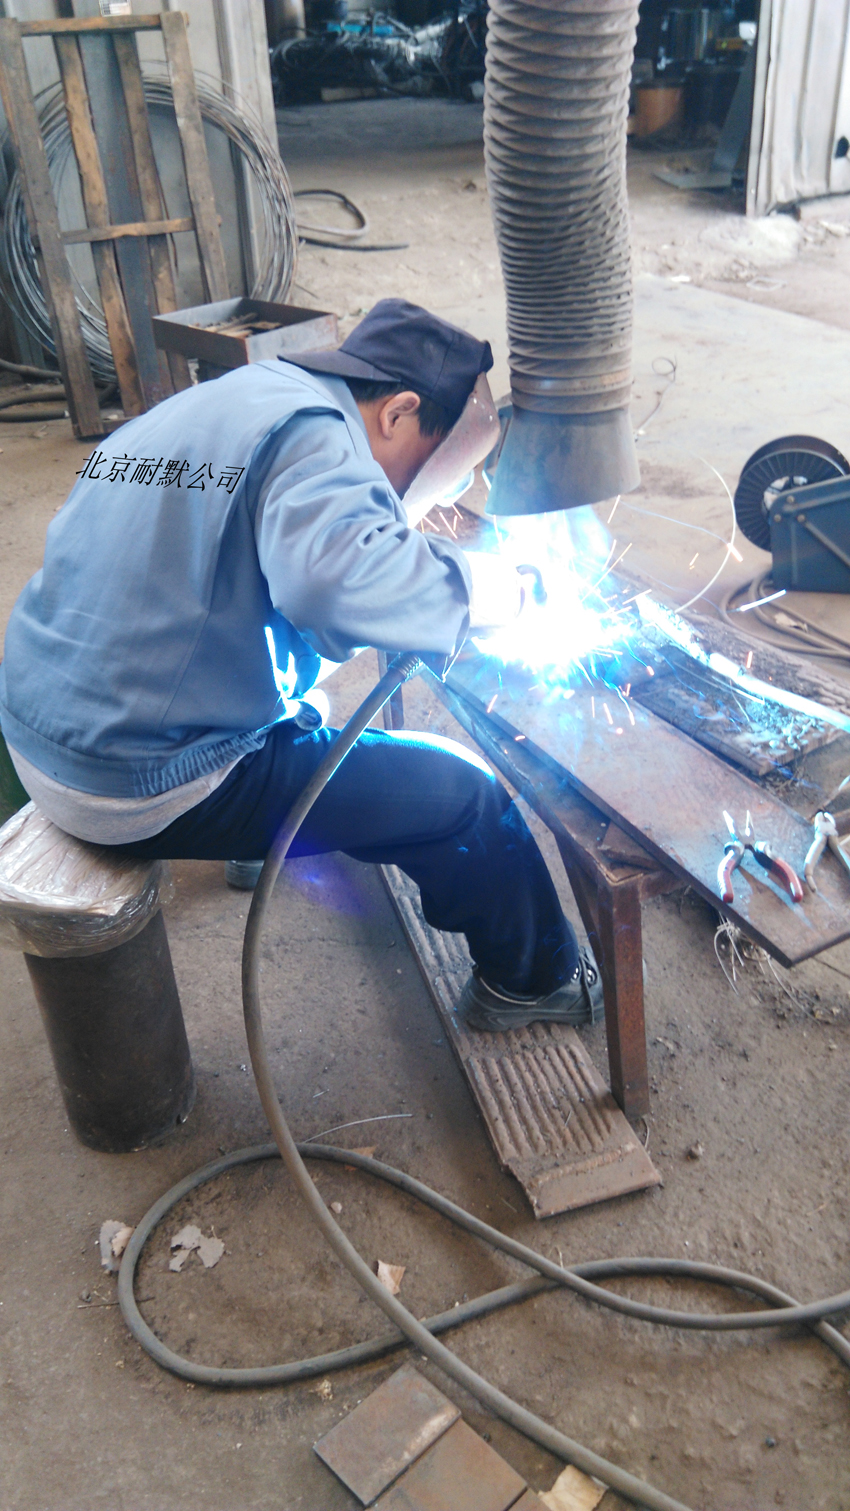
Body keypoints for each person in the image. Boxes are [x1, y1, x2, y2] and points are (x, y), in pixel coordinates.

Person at [0, 299, 601, 1032]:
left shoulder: (244, 397)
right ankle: (533, 982)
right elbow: (335, 586)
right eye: (448, 471)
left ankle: (252, 842)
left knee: (307, 695)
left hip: (39, 720)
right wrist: (501, 592)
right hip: (134, 778)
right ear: (399, 412)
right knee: (466, 796)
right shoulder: (318, 439)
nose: (439, 494)